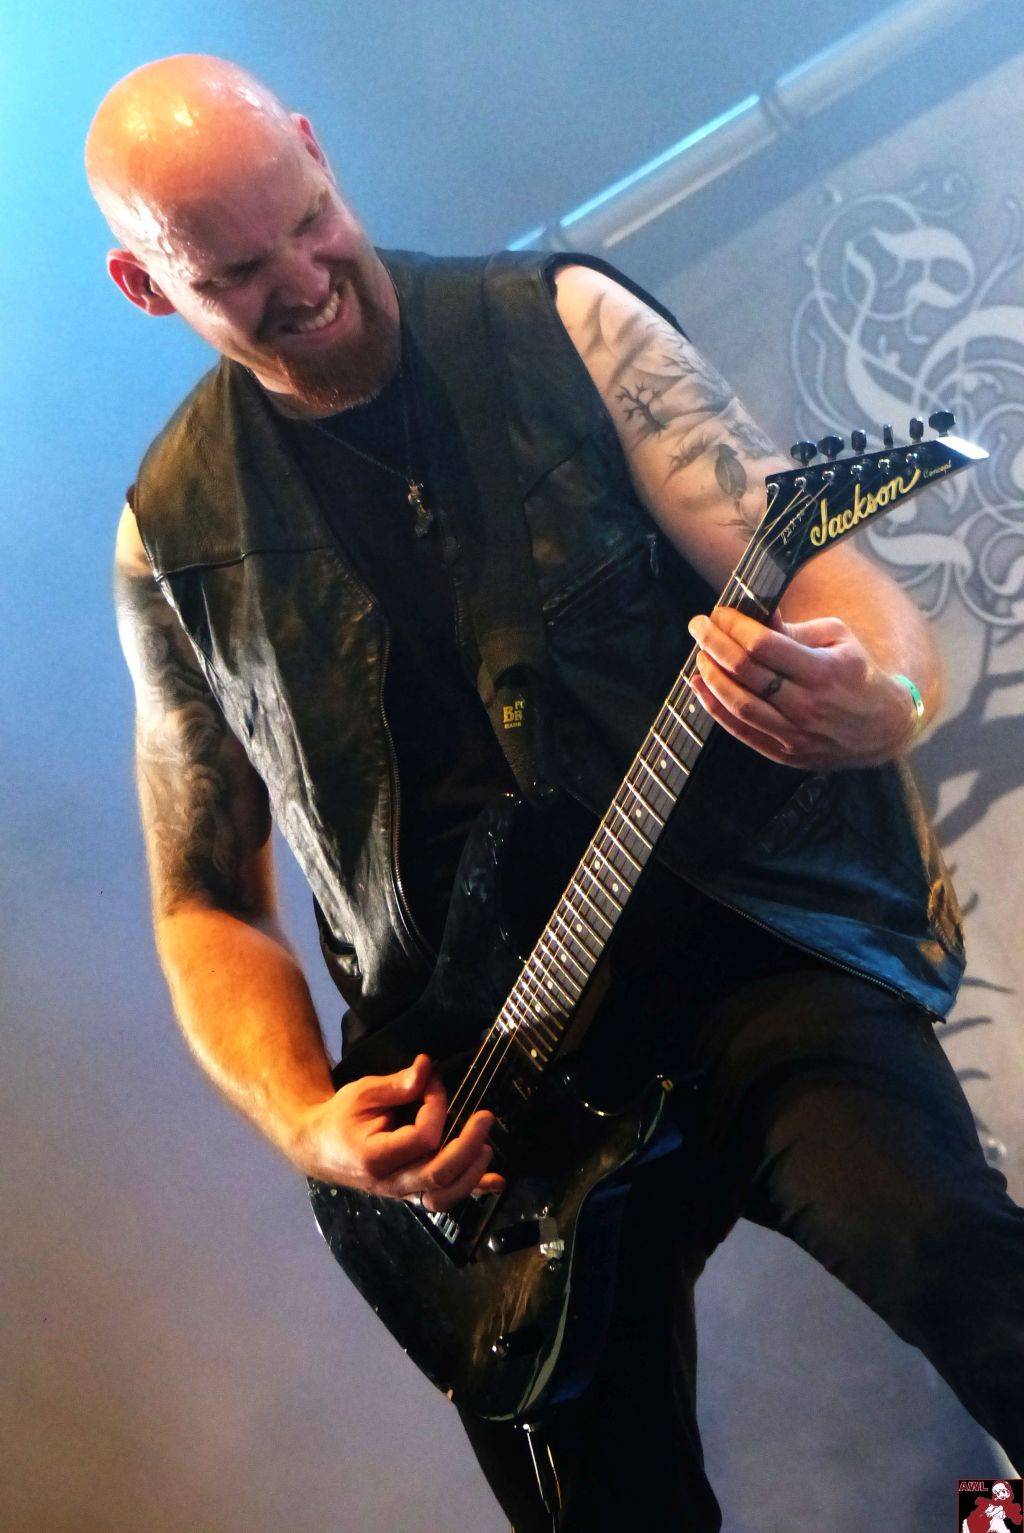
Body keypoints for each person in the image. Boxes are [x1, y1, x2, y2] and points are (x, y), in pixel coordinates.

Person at [88, 54, 1022, 1532]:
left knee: (959, 1261)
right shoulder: (172, 540)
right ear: (147, 287)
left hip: (743, 956)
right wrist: (307, 1122)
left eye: (310, 221)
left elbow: (827, 575)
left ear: (319, 150)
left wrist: (883, 697)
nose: (306, 281)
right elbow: (204, 903)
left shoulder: (560, 326)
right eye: (239, 274)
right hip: (487, 1109)